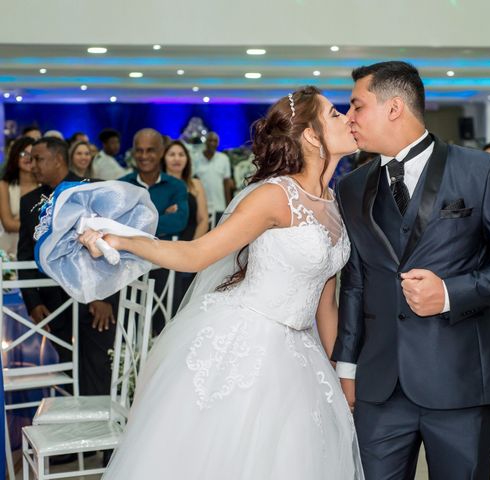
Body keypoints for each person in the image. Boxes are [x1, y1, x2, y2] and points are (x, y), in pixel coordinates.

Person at [79, 86, 363, 479]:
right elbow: (197, 254)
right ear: (311, 135)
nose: (348, 117)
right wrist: (124, 240)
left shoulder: (333, 203)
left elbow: (325, 303)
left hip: (301, 353)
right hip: (248, 342)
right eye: (335, 113)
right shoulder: (273, 197)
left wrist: (339, 372)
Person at [332, 61, 490, 480]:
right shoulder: (351, 186)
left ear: (394, 108)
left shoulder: (479, 170)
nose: (349, 118)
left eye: (357, 106)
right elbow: (355, 281)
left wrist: (450, 293)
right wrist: (347, 367)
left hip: (462, 375)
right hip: (379, 384)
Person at [18, 137, 117, 395]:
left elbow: (111, 246)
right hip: (53, 304)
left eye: (38, 159)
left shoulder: (91, 190)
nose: (32, 165)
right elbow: (25, 255)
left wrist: (104, 296)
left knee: (97, 371)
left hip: (95, 305)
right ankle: (70, 429)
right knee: (65, 375)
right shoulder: (29, 202)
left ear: (58, 159)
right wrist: (33, 301)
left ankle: (99, 432)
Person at [120, 129, 189, 334]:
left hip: (164, 265)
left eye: (150, 150)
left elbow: (179, 222)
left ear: (160, 152)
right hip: (128, 265)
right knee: (128, 327)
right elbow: (118, 224)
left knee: (164, 328)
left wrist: (134, 224)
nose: (143, 156)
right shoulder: (123, 184)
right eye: (139, 150)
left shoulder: (176, 186)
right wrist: (160, 217)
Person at [162, 140, 210, 311]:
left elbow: (203, 219)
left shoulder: (195, 184)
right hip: (165, 247)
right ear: (164, 158)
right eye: (172, 154)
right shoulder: (159, 186)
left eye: (181, 154)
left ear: (187, 159)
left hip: (191, 246)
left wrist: (193, 248)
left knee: (184, 301)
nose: (177, 159)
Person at [0, 137, 38, 256]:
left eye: (32, 154)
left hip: (37, 248)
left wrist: (16, 221)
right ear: (15, 156)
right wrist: (37, 225)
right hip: (9, 249)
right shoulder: (4, 185)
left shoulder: (44, 187)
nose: (28, 158)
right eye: (23, 153)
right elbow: (8, 224)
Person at [193, 132, 234, 225]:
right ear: (205, 142)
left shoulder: (224, 159)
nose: (212, 143)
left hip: (219, 206)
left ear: (218, 143)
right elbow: (193, 182)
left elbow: (226, 183)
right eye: (210, 140)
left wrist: (228, 206)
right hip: (201, 206)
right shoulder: (196, 159)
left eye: (215, 141)